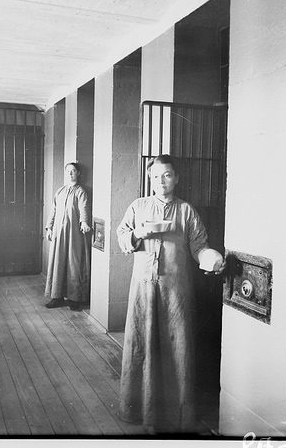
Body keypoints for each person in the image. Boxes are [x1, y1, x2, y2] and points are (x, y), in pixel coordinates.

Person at [116, 154, 225, 433]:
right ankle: (140, 411)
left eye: (167, 175)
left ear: (176, 178)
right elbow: (122, 237)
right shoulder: (138, 206)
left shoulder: (186, 211)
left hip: (176, 292)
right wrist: (138, 232)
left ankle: (175, 415)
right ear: (149, 179)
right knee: (142, 345)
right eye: (155, 176)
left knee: (176, 348)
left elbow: (199, 246)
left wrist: (210, 256)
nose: (161, 181)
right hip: (143, 289)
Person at [44, 162, 92, 311]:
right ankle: (56, 297)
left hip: (74, 234)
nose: (70, 174)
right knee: (57, 262)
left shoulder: (81, 192)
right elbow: (53, 210)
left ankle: (74, 298)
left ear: (78, 173)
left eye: (73, 171)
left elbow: (84, 207)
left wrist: (84, 222)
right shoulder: (60, 191)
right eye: (68, 171)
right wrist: (49, 227)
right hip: (59, 232)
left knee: (74, 263)